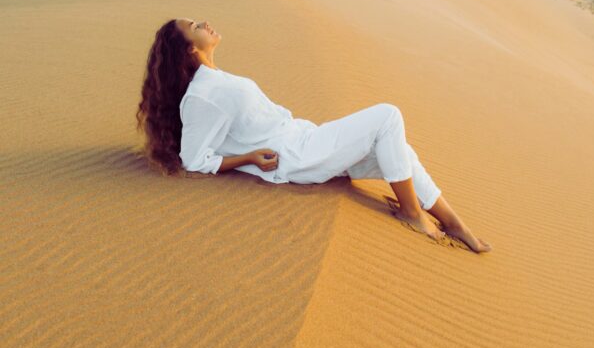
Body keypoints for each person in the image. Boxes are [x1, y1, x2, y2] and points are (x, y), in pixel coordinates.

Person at [136, 17, 492, 253]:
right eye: (196, 25)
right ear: (189, 49)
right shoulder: (202, 96)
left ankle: (452, 223)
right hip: (297, 157)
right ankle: (413, 213)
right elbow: (193, 160)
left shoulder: (214, 80)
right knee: (388, 116)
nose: (205, 23)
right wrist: (247, 159)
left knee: (398, 148)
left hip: (306, 138)